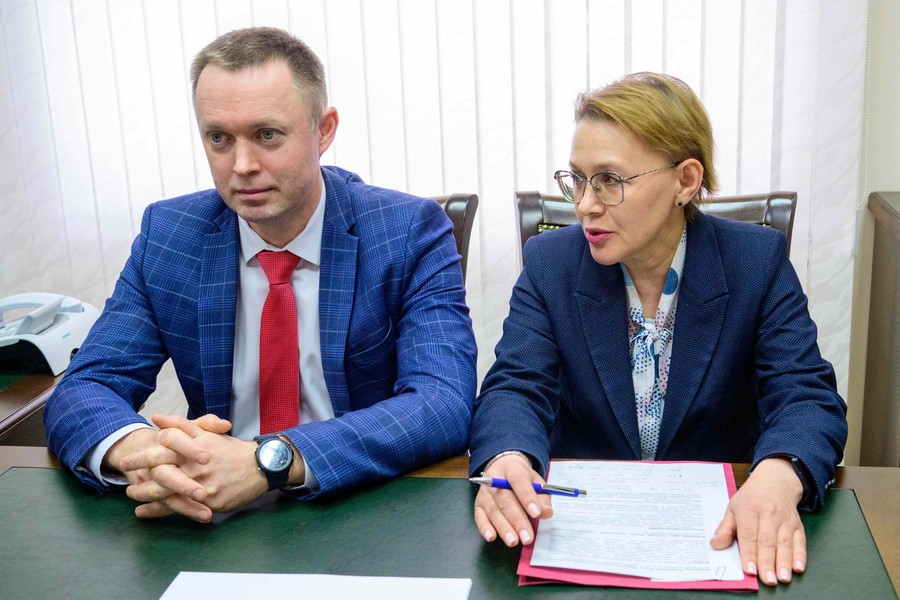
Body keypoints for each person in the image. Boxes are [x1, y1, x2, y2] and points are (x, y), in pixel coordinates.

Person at [44, 27, 476, 524]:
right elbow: (87, 385)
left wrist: (268, 461)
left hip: (359, 508)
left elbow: (443, 402)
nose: (242, 165)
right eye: (219, 139)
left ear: (324, 130)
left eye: (267, 135)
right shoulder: (170, 236)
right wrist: (147, 452)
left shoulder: (406, 232)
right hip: (213, 512)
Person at [468, 72, 847, 588]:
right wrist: (508, 456)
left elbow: (806, 396)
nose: (585, 204)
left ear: (685, 181)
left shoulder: (755, 262)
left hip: (718, 534)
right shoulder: (551, 264)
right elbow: (515, 386)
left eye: (610, 180)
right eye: (577, 179)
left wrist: (779, 476)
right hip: (582, 534)